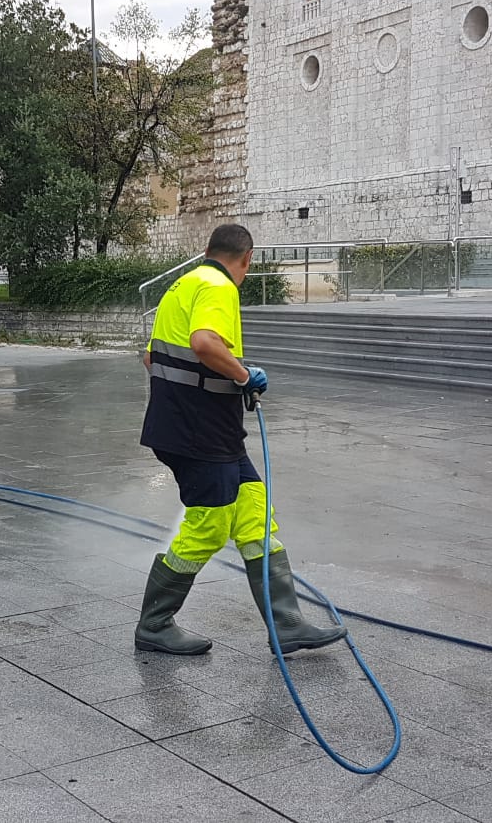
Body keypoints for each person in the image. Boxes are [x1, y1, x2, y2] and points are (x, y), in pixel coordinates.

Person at [134, 223, 346, 656]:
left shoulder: (183, 284)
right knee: (209, 526)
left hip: (204, 429)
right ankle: (154, 624)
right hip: (198, 433)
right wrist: (244, 375)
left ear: (207, 249)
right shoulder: (219, 286)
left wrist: (212, 381)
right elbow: (204, 342)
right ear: (246, 260)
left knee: (253, 514)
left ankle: (286, 624)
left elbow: (152, 356)